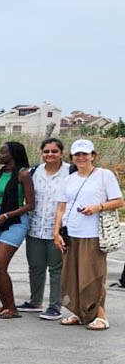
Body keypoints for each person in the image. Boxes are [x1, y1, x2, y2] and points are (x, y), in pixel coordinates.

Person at [54, 139, 123, 330]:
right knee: (72, 275)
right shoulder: (68, 179)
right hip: (71, 233)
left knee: (93, 275)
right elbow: (61, 207)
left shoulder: (104, 175)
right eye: (77, 154)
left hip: (93, 234)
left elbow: (118, 201)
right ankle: (80, 312)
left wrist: (97, 207)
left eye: (85, 154)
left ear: (93, 155)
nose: (81, 158)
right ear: (72, 158)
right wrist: (56, 232)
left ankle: (100, 315)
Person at [0, 141, 35, 319]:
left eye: (2, 152)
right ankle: (4, 304)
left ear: (12, 154)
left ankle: (12, 308)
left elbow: (30, 204)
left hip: (14, 220)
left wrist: (7, 215)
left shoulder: (23, 174)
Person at [24, 138, 72, 320]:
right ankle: (35, 301)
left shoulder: (70, 172)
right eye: (46, 151)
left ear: (61, 153)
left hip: (58, 228)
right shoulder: (33, 172)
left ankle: (55, 306)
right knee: (35, 266)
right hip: (35, 226)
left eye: (54, 151)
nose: (50, 154)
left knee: (56, 268)